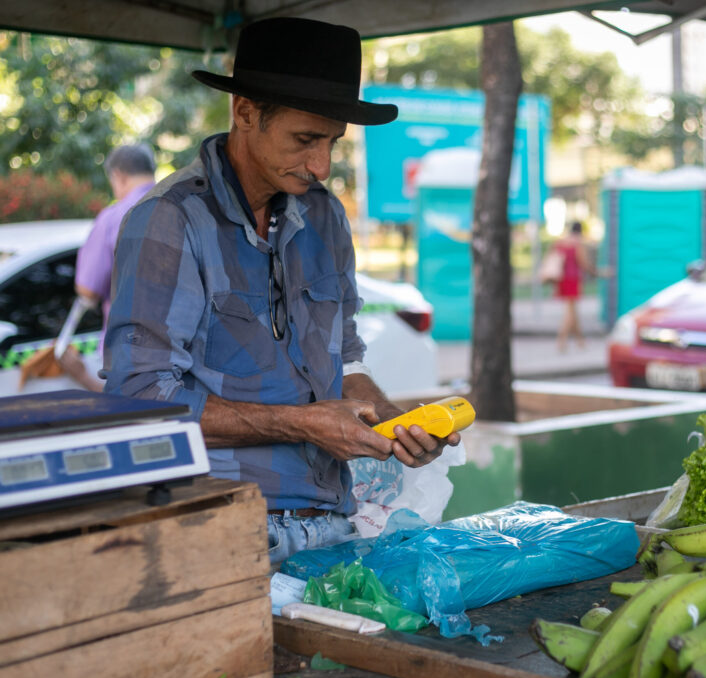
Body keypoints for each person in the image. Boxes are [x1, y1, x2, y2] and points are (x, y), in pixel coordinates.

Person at [103, 18, 459, 564]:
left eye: (333, 141)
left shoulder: (325, 215)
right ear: (245, 111)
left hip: (335, 521)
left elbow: (344, 358)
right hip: (220, 528)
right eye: (305, 139)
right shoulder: (169, 221)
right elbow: (139, 400)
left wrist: (392, 421)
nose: (322, 165)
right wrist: (303, 424)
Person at [57, 144, 156, 392]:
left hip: (130, 354)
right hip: (186, 352)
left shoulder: (114, 218)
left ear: (118, 176)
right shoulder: (186, 210)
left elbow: (87, 291)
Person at [551, 221, 601, 352]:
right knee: (570, 312)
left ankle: (580, 341)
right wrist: (596, 272)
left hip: (561, 279)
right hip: (573, 279)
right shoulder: (577, 244)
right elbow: (583, 263)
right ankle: (561, 341)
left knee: (573, 311)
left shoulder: (561, 242)